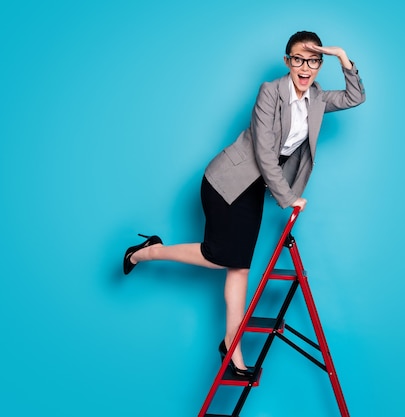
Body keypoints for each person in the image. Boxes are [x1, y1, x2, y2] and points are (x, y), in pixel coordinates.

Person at [122, 30, 365, 378]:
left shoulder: (318, 98)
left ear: (319, 64)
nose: (305, 67)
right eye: (298, 59)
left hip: (253, 190)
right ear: (287, 62)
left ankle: (232, 350)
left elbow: (356, 96)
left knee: (239, 267)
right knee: (217, 255)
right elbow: (265, 154)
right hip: (226, 182)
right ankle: (146, 251)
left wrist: (343, 57)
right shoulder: (270, 91)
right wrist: (290, 197)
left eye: (313, 60)